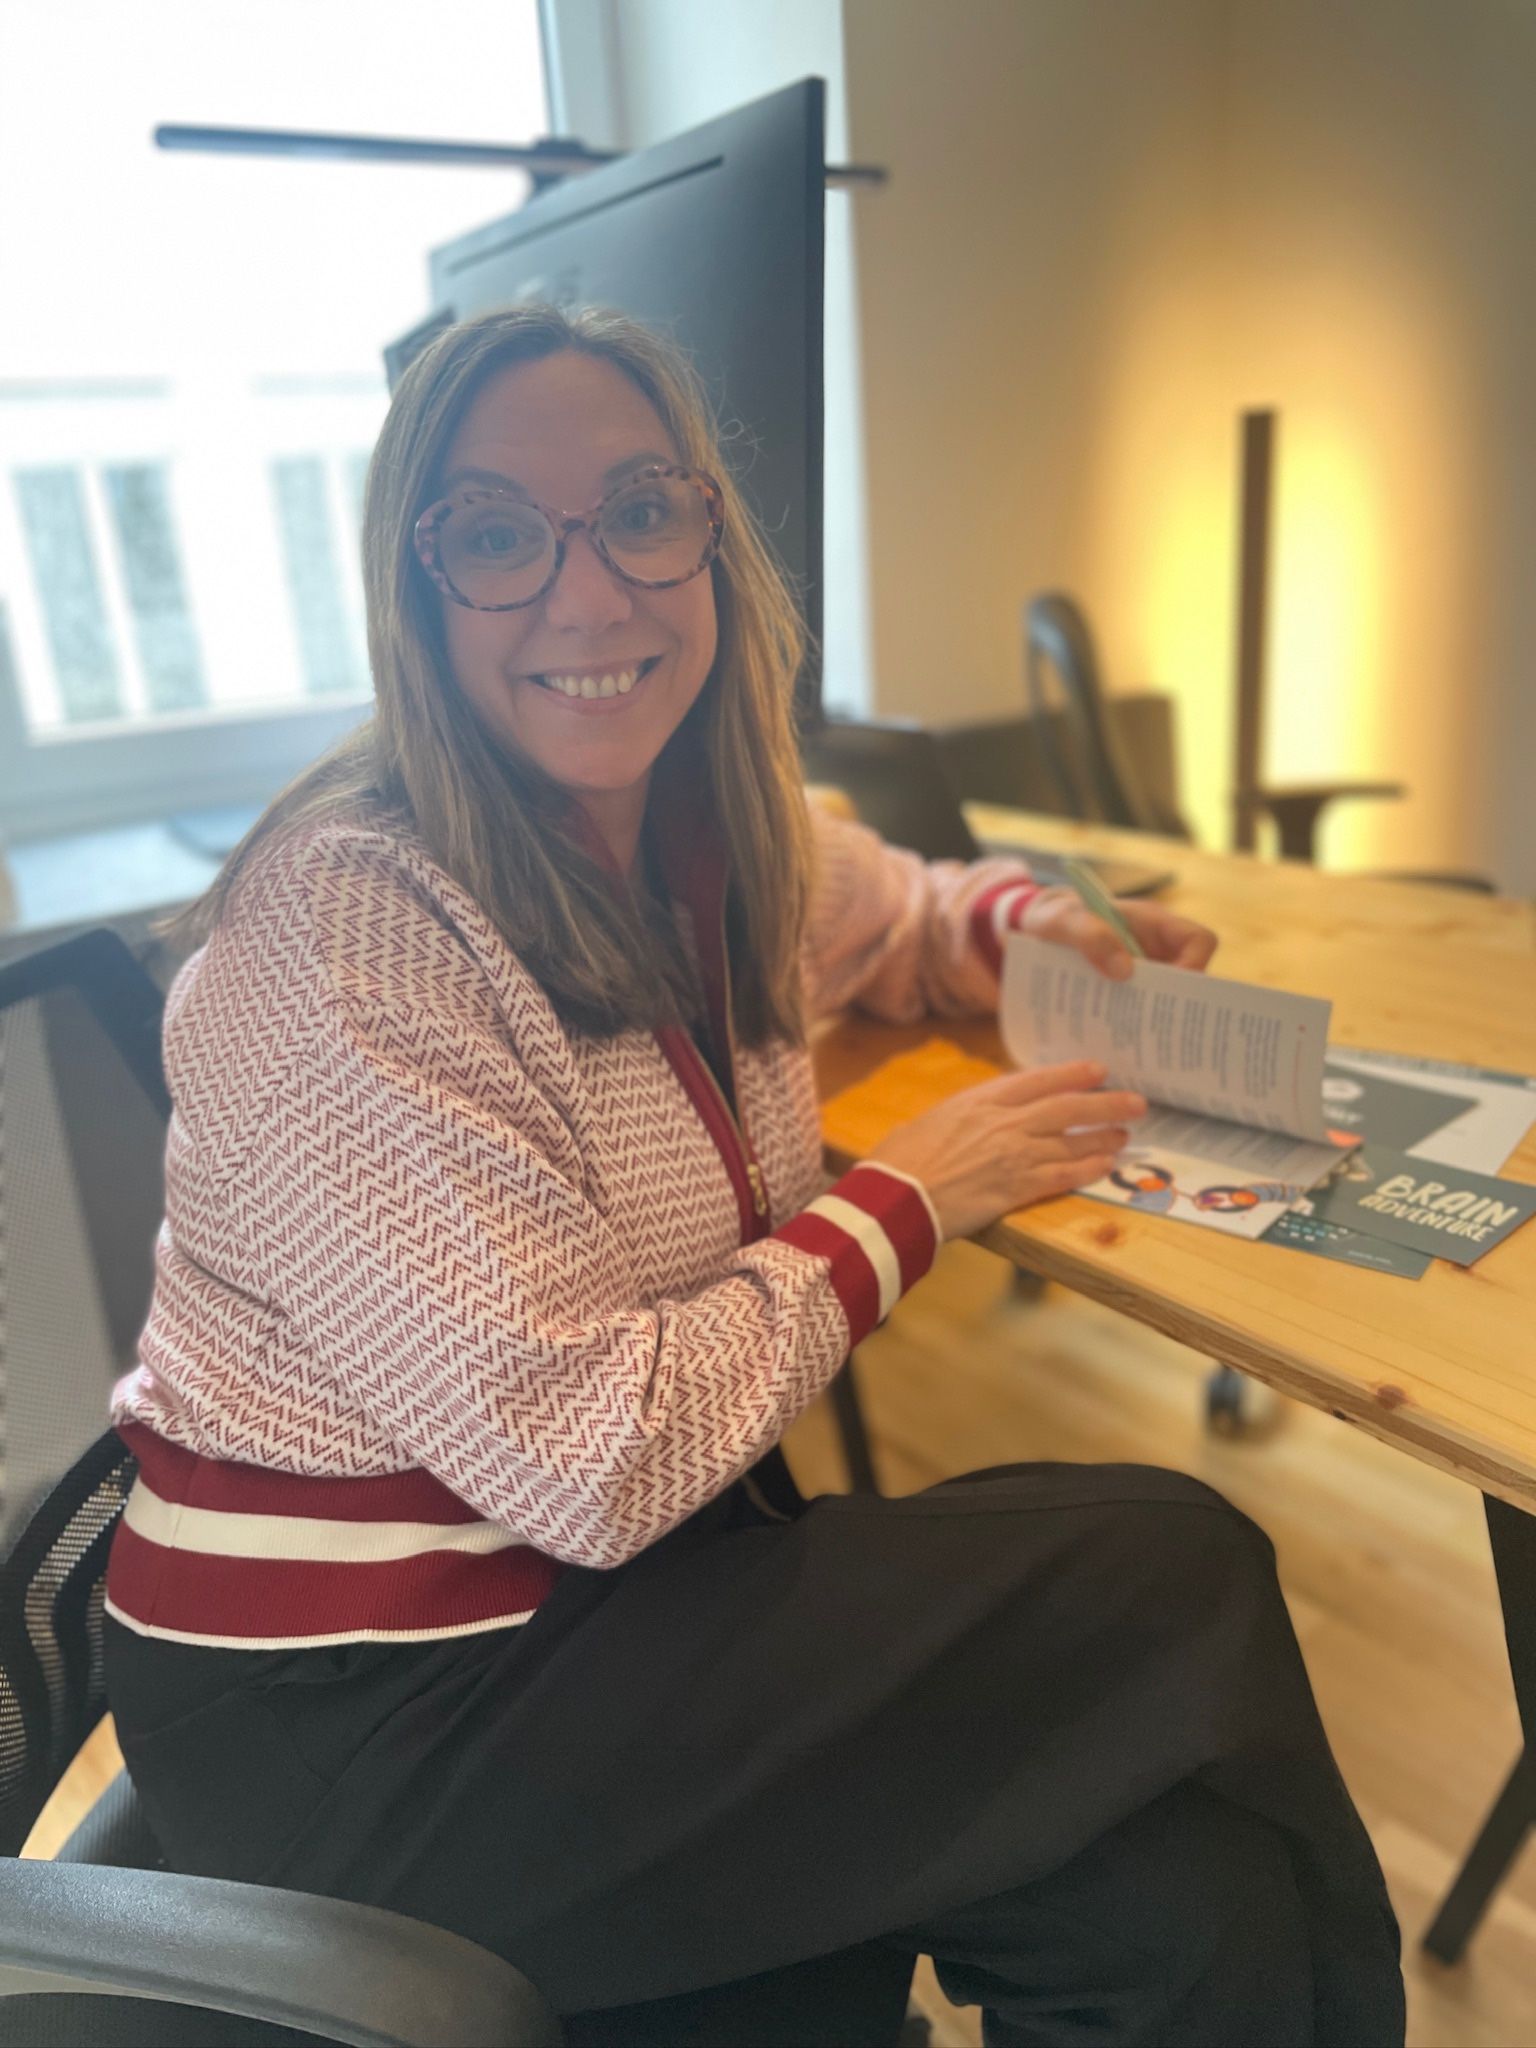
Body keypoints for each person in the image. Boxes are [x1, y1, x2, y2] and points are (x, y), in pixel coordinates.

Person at [104, 303, 1404, 2047]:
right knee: (1172, 1565)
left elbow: (904, 916)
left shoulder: (718, 820)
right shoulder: (350, 929)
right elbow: (603, 1454)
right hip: (371, 1715)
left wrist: (1042, 935)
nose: (590, 595)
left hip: (605, 1603)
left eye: (642, 510)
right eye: (496, 537)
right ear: (413, 595)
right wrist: (912, 1196)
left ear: (714, 535)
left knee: (1180, 1892)